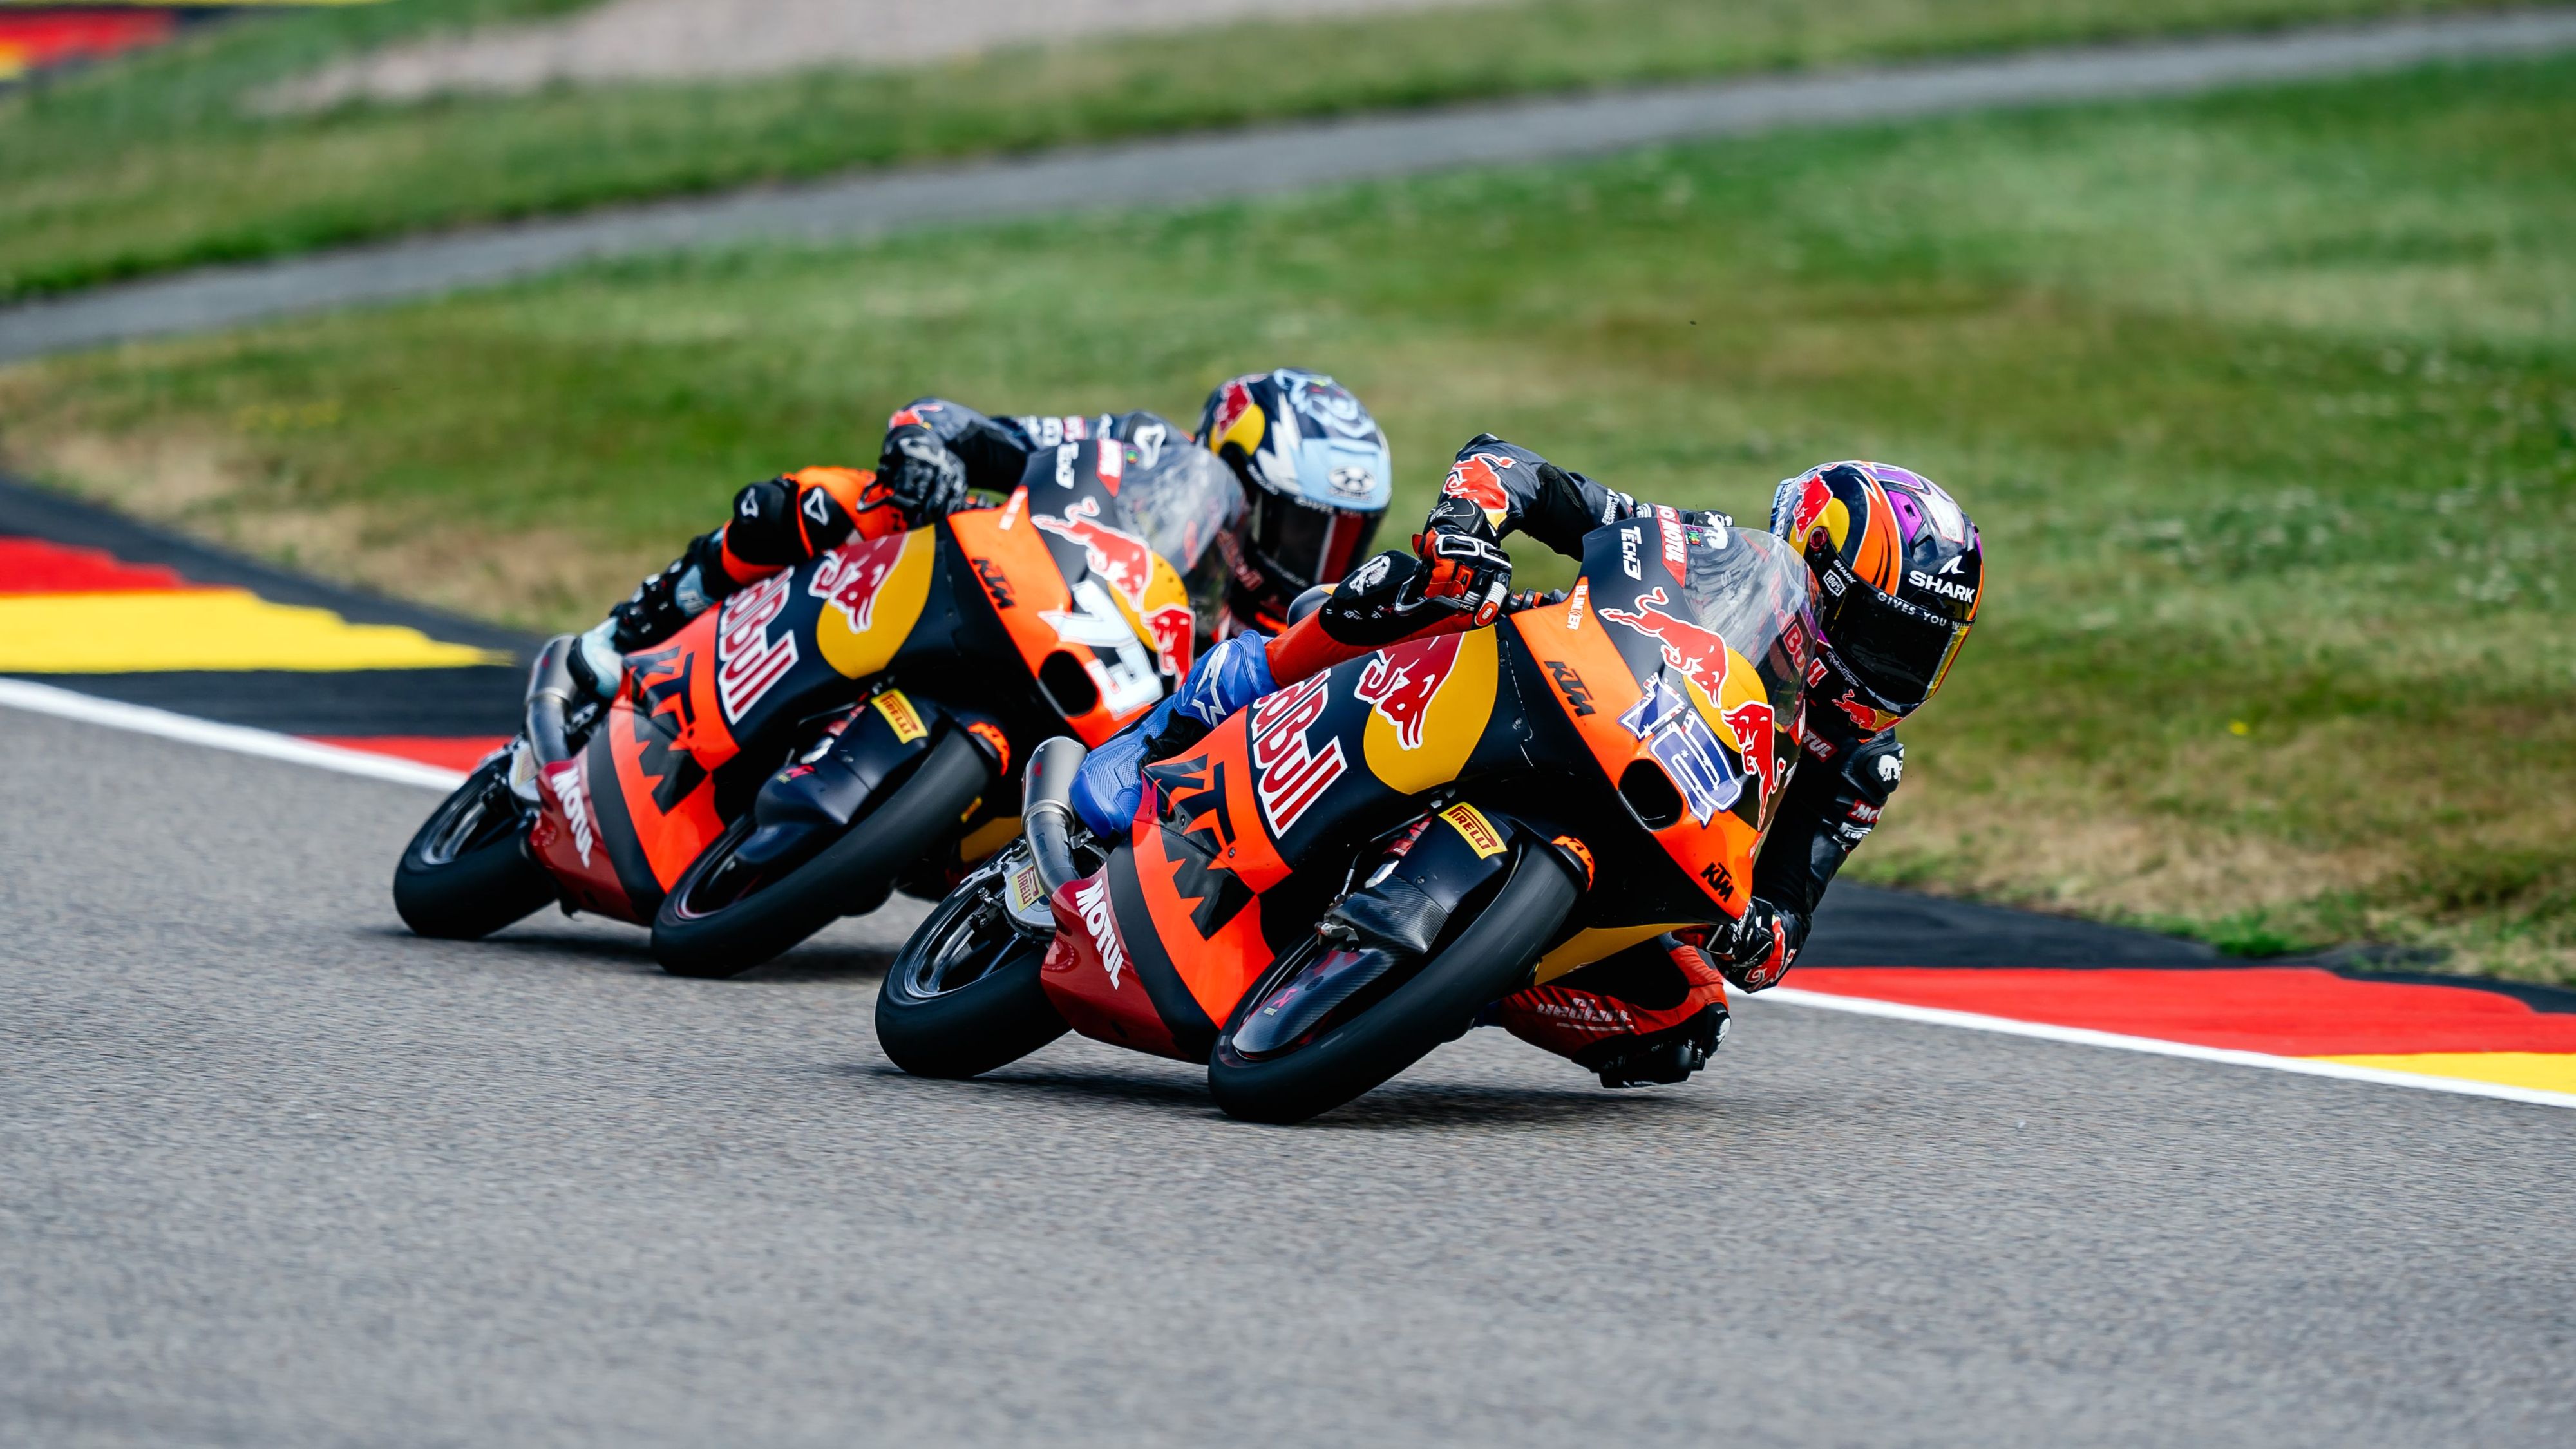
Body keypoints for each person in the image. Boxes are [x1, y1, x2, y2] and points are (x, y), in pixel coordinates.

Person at [1069, 437, 1982, 1090]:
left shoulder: (1859, 762)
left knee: (1683, 1020)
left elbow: (1787, 912)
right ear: (1813, 572)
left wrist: (1757, 937)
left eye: (1920, 651)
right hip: (1515, 686)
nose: (1891, 670)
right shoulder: (1701, 552)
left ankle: (1456, 978)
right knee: (1418, 590)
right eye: (1881, 634)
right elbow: (1514, 468)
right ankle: (1183, 722)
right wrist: (1470, 522)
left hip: (1645, 836)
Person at [569, 369, 1394, 691]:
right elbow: (971, 428)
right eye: (1300, 529)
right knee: (840, 500)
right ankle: (637, 626)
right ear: (1233, 476)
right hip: (1022, 612)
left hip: (1098, 752)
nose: (1314, 561)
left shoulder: (1301, 638)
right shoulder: (1143, 449)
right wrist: (927, 447)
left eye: (1344, 539)